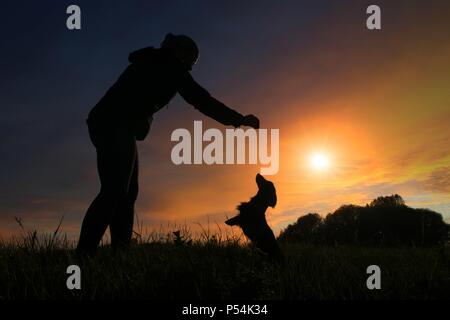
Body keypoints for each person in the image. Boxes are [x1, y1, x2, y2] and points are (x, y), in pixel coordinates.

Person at [77, 33, 260, 253]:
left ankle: (119, 253)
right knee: (115, 190)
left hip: (110, 124)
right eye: (190, 62)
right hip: (114, 124)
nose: (189, 69)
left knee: (126, 193)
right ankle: (84, 254)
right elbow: (201, 100)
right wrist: (239, 119)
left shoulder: (154, 60)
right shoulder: (170, 65)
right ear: (181, 54)